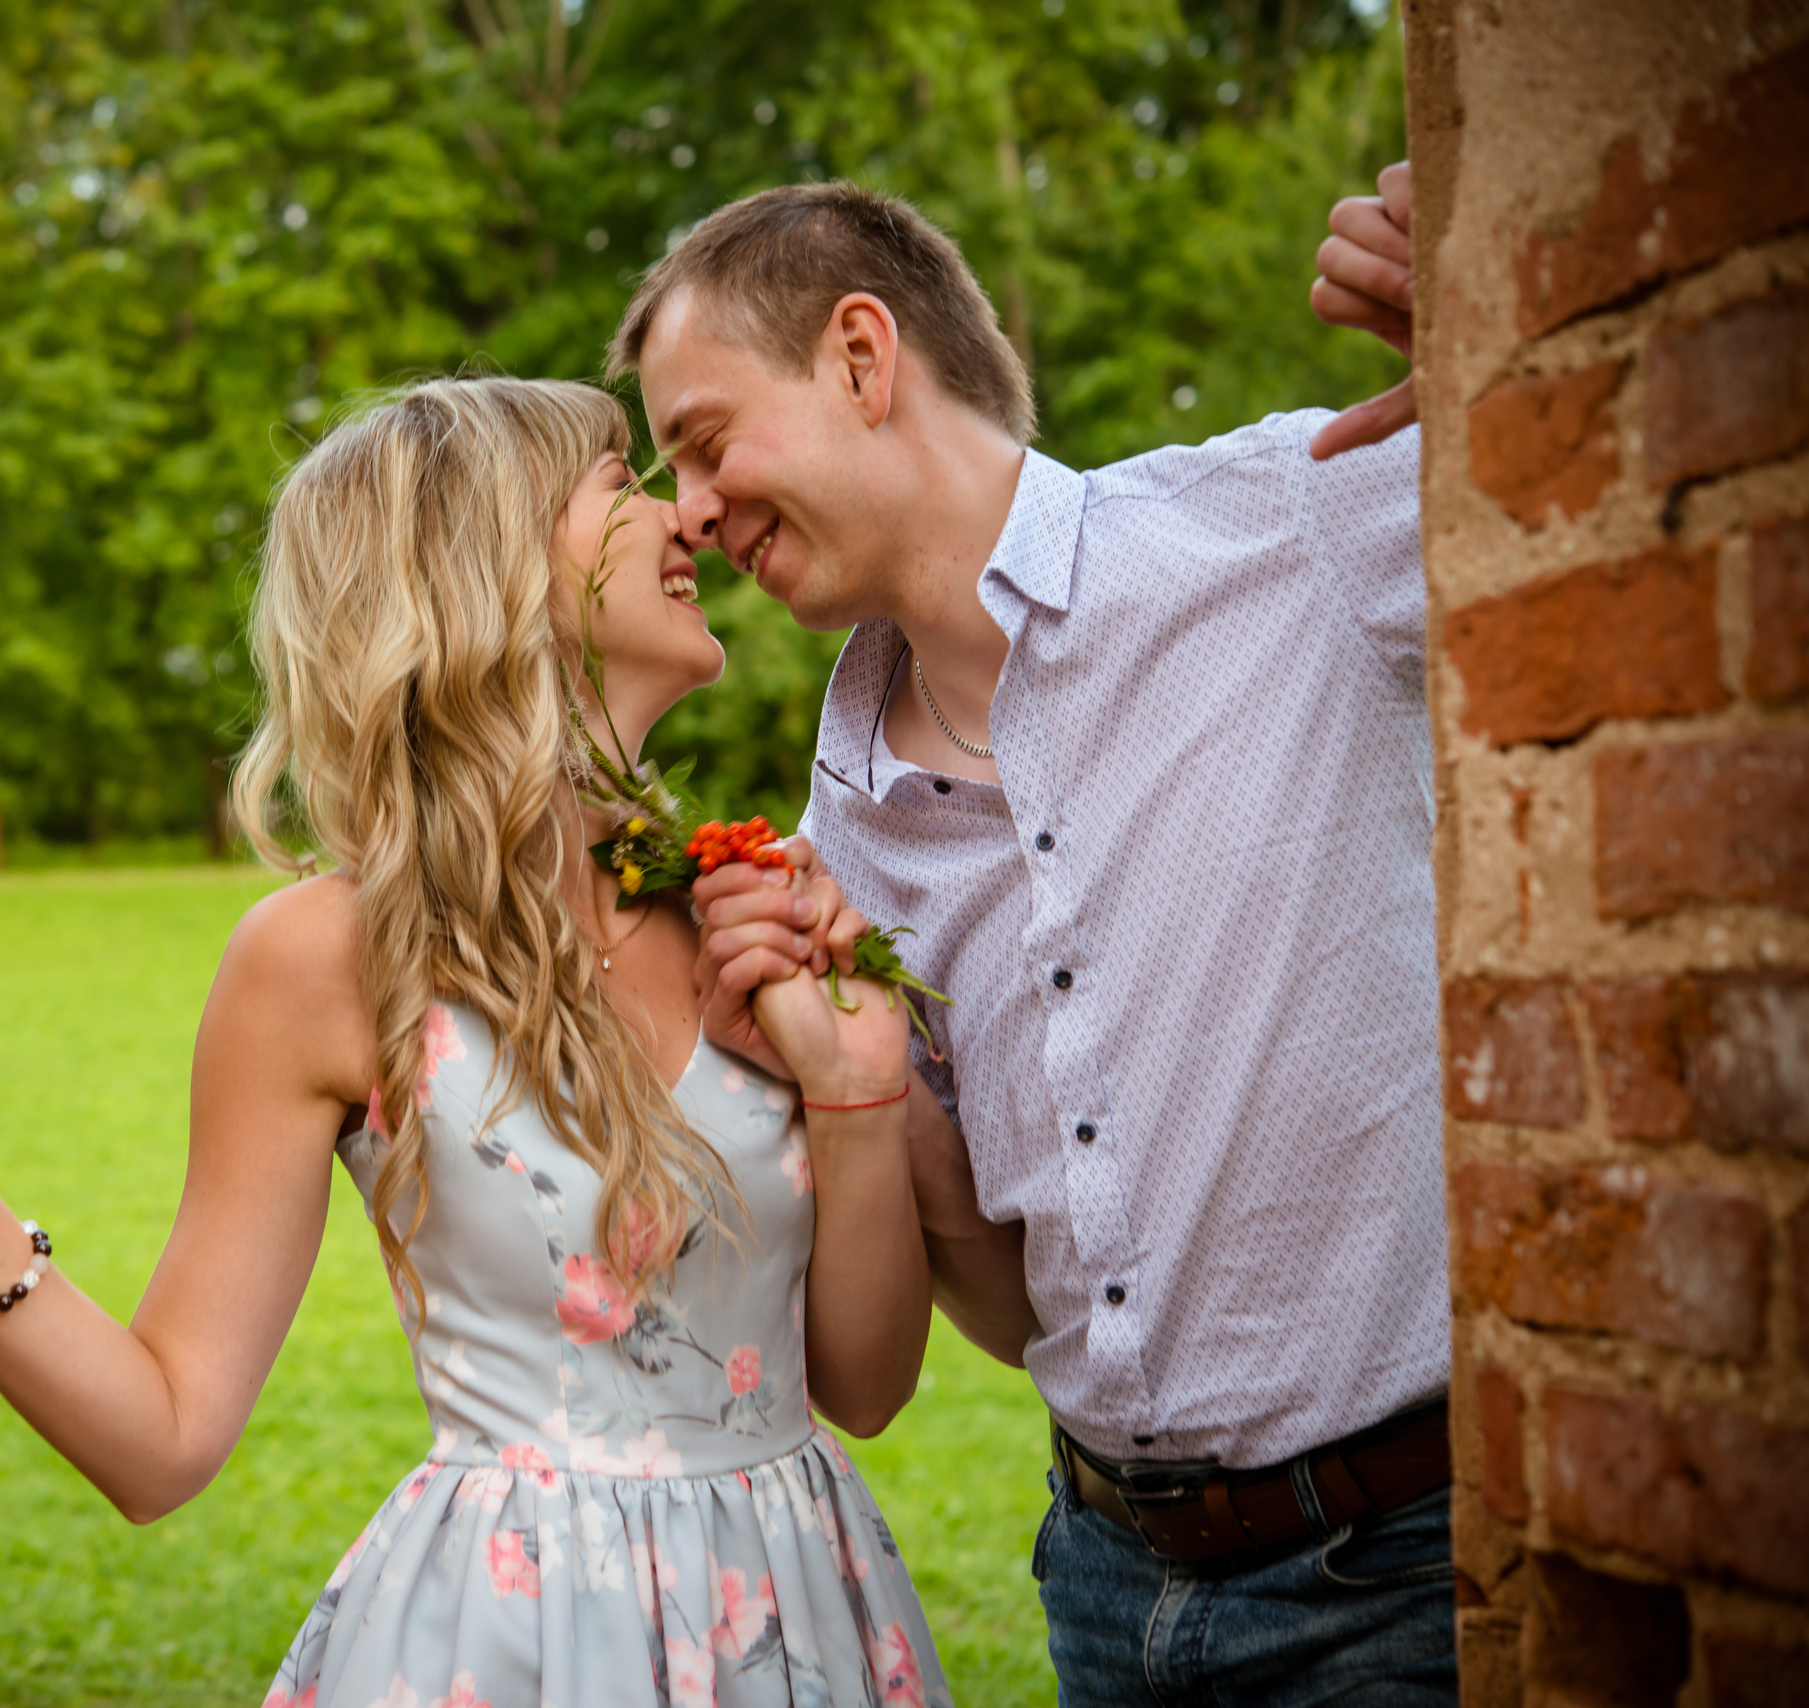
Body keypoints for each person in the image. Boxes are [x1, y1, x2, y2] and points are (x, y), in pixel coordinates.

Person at [0, 375, 1039, 1708]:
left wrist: (855, 1090)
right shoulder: (324, 958)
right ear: (492, 570)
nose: (684, 517)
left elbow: (864, 1386)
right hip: (511, 1648)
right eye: (619, 486)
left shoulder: (732, 907)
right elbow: (161, 1437)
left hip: (800, 1626)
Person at [611, 169, 1457, 1703]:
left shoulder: (1287, 528)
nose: (689, 510)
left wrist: (1502, 332)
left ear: (863, 359)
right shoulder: (845, 818)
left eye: (704, 442)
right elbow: (1016, 1307)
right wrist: (874, 1085)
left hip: (1403, 1577)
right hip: (1104, 1578)